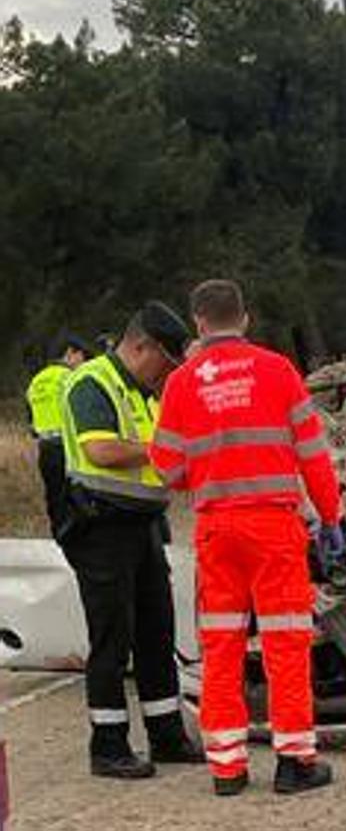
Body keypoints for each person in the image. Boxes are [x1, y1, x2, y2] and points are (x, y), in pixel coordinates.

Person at [149, 279, 344, 796]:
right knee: (285, 643)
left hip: (217, 530)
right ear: (246, 318)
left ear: (198, 322)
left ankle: (228, 768)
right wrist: (330, 516)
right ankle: (295, 761)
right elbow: (314, 456)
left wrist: (209, 471)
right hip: (274, 528)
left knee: (221, 645)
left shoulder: (182, 383)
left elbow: (166, 468)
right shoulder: (278, 371)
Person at [58, 302, 202, 779]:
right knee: (112, 639)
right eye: (165, 359)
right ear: (140, 345)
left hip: (140, 526)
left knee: (156, 632)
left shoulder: (144, 392)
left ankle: (167, 736)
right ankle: (108, 746)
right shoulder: (93, 382)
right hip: (100, 528)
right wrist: (164, 449)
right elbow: (100, 448)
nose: (168, 372)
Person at [25, 333, 90, 541]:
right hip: (68, 446)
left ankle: (59, 536)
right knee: (76, 495)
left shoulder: (36, 381)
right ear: (71, 353)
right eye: (83, 357)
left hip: (45, 447)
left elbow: (31, 422)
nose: (84, 363)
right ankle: (77, 540)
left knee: (53, 495)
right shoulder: (69, 377)